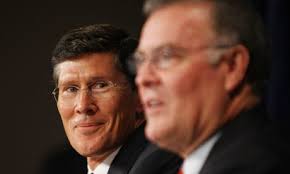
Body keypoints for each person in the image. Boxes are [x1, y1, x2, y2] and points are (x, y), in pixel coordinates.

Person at [133, 0, 289, 173]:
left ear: (232, 66)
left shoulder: (254, 167)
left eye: (166, 56)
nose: (142, 78)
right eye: (141, 60)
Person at [45, 24, 182, 174]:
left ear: (140, 95)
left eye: (100, 85)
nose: (83, 105)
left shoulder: (159, 166)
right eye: (71, 89)